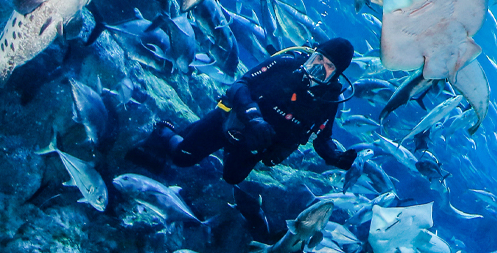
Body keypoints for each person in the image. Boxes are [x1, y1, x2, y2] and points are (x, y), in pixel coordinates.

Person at [146, 40, 359, 185]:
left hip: (256, 146)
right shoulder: (286, 64)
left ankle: (200, 138)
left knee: (232, 177)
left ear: (336, 74)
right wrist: (254, 117)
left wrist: (335, 157)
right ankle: (163, 130)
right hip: (230, 122)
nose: (319, 67)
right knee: (182, 157)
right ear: (312, 53)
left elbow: (323, 139)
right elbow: (240, 84)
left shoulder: (329, 100)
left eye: (329, 66)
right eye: (318, 58)